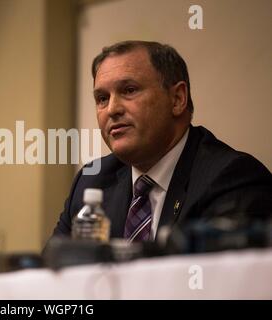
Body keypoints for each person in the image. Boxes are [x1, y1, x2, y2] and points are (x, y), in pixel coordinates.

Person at [52, 40, 272, 242]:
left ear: (177, 99)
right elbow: (51, 277)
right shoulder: (91, 181)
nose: (112, 109)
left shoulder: (231, 179)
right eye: (102, 98)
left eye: (129, 90)